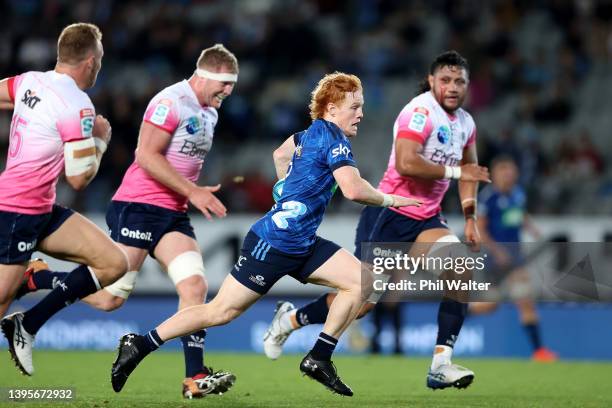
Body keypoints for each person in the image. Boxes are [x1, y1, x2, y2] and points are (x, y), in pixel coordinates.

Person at [109, 72, 421, 397]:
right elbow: (353, 189)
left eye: (361, 107)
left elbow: (280, 155)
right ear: (330, 108)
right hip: (273, 244)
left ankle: (319, 357)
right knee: (221, 312)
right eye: (354, 106)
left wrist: (286, 190)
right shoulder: (334, 140)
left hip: (299, 241)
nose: (360, 114)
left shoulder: (307, 134)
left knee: (362, 282)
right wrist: (391, 199)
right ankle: (140, 344)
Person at [13, 44, 239, 398]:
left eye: (232, 85)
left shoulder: (209, 112)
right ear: (204, 74)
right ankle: (38, 278)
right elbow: (146, 156)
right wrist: (193, 192)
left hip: (172, 214)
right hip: (138, 206)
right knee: (109, 300)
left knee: (195, 288)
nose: (228, 91)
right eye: (224, 83)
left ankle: (194, 376)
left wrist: (189, 193)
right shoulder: (171, 102)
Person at [262, 50, 491, 390]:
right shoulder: (419, 112)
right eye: (445, 79)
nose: (453, 86)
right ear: (431, 82)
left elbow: (471, 171)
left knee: (460, 269)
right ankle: (291, 319)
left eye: (460, 81)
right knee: (364, 304)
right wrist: (457, 171)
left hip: (427, 218)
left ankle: (441, 364)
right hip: (389, 216)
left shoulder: (466, 123)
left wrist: (470, 216)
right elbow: (406, 163)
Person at [0, 23, 128, 376]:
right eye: (100, 60)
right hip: (16, 211)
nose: (100, 67)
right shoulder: (77, 105)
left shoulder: (30, 81)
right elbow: (78, 177)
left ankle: (26, 324)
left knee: (113, 264)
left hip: (41, 209)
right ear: (90, 62)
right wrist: (100, 140)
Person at [469, 155, 558, 362]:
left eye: (511, 171)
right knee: (490, 306)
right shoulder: (487, 198)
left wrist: (531, 228)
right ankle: (459, 311)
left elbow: (519, 213)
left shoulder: (518, 194)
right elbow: (480, 229)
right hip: (495, 261)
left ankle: (539, 351)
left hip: (515, 260)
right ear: (495, 174)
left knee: (524, 301)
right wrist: (497, 251)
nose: (508, 175)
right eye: (503, 171)